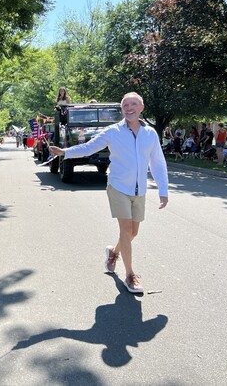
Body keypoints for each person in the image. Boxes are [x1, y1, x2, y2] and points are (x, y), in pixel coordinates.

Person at [49, 92, 169, 293]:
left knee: (133, 232)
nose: (129, 108)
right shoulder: (113, 132)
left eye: (133, 104)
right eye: (125, 105)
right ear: (122, 110)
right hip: (118, 187)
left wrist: (163, 190)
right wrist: (65, 152)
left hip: (139, 190)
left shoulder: (150, 134)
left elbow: (157, 162)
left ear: (141, 107)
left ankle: (113, 252)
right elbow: (89, 148)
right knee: (125, 229)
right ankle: (130, 276)